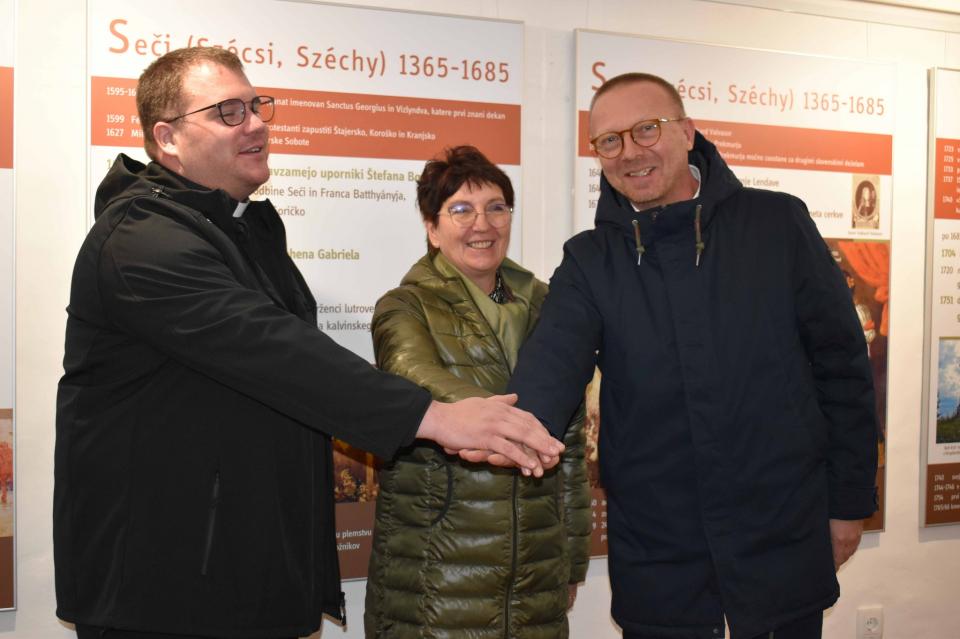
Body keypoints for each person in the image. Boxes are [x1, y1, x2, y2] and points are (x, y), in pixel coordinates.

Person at [54, 47, 562, 639]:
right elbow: (272, 350)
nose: (256, 124)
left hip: (239, 576)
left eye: (257, 106)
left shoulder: (241, 230)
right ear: (168, 138)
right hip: (164, 593)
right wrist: (438, 417)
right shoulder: (141, 240)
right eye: (228, 112)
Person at [506, 73, 879, 639]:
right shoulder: (591, 259)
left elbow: (842, 369)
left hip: (781, 532)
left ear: (686, 131)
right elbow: (549, 371)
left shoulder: (776, 224)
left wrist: (849, 502)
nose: (629, 151)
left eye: (646, 129)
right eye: (609, 140)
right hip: (661, 551)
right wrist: (499, 428)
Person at [363, 146, 591, 638]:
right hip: (436, 572)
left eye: (496, 207)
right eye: (461, 209)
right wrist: (509, 422)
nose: (482, 224)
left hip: (536, 572)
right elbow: (411, 373)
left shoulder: (549, 306)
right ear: (432, 227)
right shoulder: (404, 307)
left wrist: (571, 558)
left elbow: (570, 443)